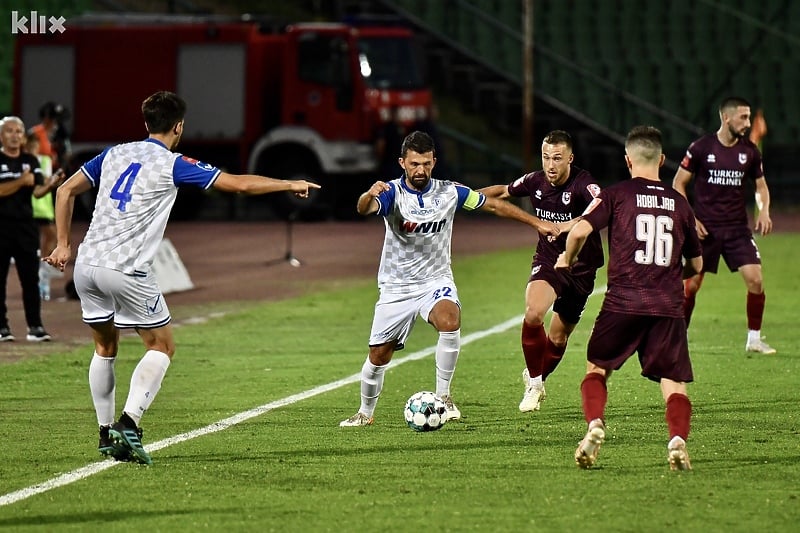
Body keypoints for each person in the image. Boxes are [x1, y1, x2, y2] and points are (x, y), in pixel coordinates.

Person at [44, 91, 320, 465]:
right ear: (179, 126)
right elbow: (236, 184)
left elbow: (64, 191)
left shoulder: (113, 153)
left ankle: (105, 432)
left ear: (145, 124)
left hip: (87, 267)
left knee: (104, 348)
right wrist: (287, 184)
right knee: (162, 346)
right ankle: (129, 424)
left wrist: (63, 244)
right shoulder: (171, 162)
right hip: (125, 270)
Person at [339, 130, 560, 427]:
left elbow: (491, 204)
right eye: (415, 164)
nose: (421, 170)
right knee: (379, 355)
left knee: (449, 320)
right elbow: (364, 209)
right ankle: (365, 413)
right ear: (402, 162)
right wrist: (369, 194)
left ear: (434, 162)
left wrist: (537, 222)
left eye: (426, 164)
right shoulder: (392, 193)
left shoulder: (450, 192)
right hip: (396, 286)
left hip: (435, 280)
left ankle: (444, 398)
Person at [555, 126, 702, 471]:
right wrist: (669, 274)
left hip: (622, 303)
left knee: (597, 369)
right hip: (666, 307)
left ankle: (594, 427)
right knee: (674, 383)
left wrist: (568, 258)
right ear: (662, 160)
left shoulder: (616, 195)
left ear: (627, 160)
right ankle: (677, 440)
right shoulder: (680, 205)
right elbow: (696, 264)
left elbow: (579, 230)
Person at [480, 130, 603, 412]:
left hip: (582, 268)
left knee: (558, 339)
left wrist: (566, 225)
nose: (550, 164)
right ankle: (535, 384)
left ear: (570, 158)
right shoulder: (535, 181)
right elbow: (502, 192)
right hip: (549, 261)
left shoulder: (583, 184)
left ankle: (536, 377)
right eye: (546, 157)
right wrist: (460, 197)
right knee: (534, 312)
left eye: (557, 158)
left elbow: (601, 204)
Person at [672, 97, 775, 354]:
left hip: (737, 230)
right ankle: (679, 337)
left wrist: (764, 210)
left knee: (756, 279)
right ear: (726, 117)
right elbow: (678, 184)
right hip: (705, 229)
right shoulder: (700, 148)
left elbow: (761, 186)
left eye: (749, 117)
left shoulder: (750, 151)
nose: (748, 123)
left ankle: (754, 339)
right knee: (691, 285)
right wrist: (691, 219)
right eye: (743, 117)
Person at [0, 116, 57, 342]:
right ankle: (2, 328)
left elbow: (36, 191)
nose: (15, 135)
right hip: (1, 227)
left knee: (30, 279)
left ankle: (35, 326)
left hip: (26, 228)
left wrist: (49, 185)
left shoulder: (31, 160)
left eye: (18, 131)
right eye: (10, 131)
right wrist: (20, 182)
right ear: (2, 135)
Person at [25, 134, 66, 301]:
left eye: (35, 147)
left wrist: (53, 181)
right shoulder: (23, 161)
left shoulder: (44, 160)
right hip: (29, 207)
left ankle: (42, 270)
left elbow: (45, 181)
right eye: (30, 148)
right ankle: (37, 274)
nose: (33, 150)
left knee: (51, 236)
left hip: (44, 206)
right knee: (31, 241)